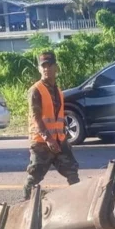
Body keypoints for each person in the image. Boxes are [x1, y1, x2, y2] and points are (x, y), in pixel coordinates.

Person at [23, 50, 80, 200]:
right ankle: (25, 204)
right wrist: (48, 139)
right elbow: (36, 118)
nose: (47, 69)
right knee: (34, 176)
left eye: (50, 65)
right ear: (39, 68)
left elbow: (58, 117)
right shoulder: (36, 90)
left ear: (56, 67)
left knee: (72, 171)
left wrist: (62, 138)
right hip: (42, 142)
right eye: (44, 66)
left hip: (59, 140)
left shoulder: (58, 91)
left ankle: (79, 201)